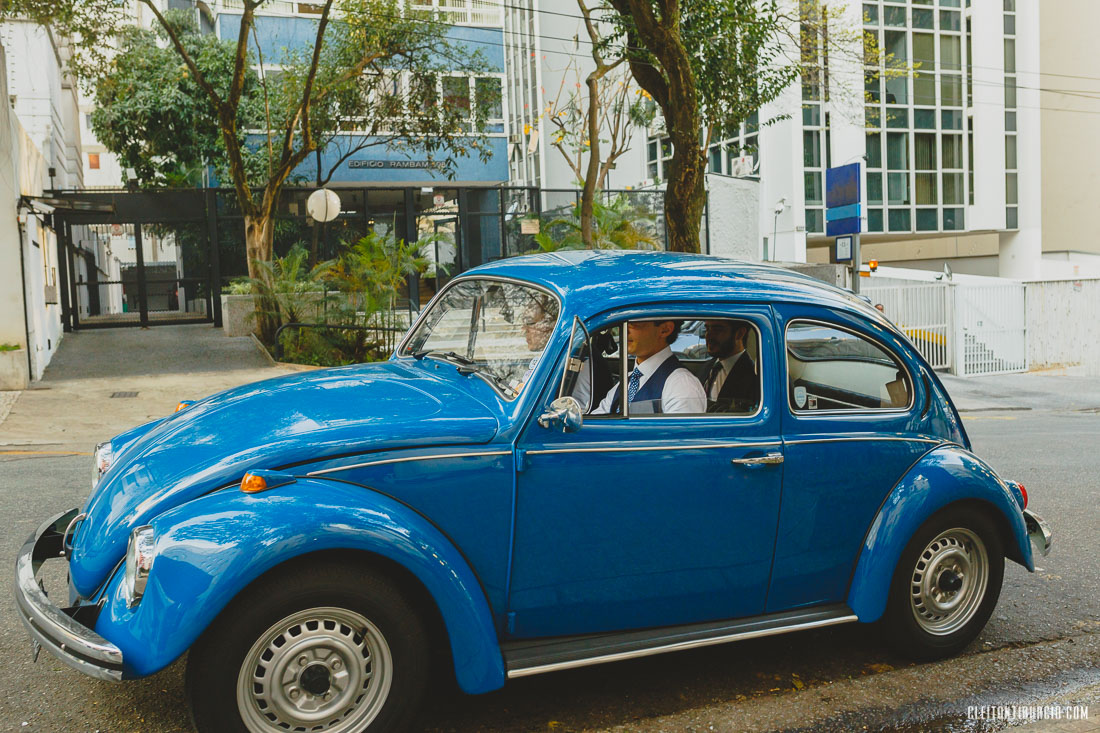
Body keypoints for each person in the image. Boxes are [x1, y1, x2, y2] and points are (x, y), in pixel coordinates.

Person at [593, 320, 707, 415]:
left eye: (634, 323)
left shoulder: (681, 384)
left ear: (665, 330)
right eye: (623, 324)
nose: (625, 330)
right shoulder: (626, 381)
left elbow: (679, 439)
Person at [701, 320, 759, 413]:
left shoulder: (755, 377)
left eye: (717, 330)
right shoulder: (707, 367)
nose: (708, 335)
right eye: (707, 329)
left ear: (739, 334)